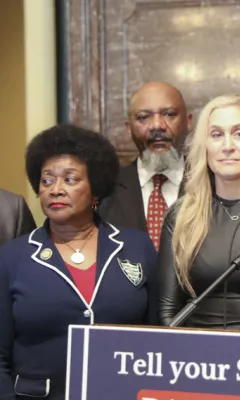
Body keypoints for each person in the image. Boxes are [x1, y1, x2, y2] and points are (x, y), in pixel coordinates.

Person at [0, 124, 158, 399]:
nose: (55, 190)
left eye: (70, 180)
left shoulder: (136, 246)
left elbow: (158, 336)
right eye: (47, 181)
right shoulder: (12, 257)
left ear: (95, 189)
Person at [158, 94, 240, 330]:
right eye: (216, 135)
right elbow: (167, 310)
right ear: (204, 146)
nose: (227, 146)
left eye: (239, 134)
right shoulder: (182, 215)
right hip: (199, 354)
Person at [98, 81, 193, 249]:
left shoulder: (211, 183)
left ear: (188, 122)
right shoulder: (105, 189)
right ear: (129, 129)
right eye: (143, 117)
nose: (157, 125)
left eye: (169, 114)